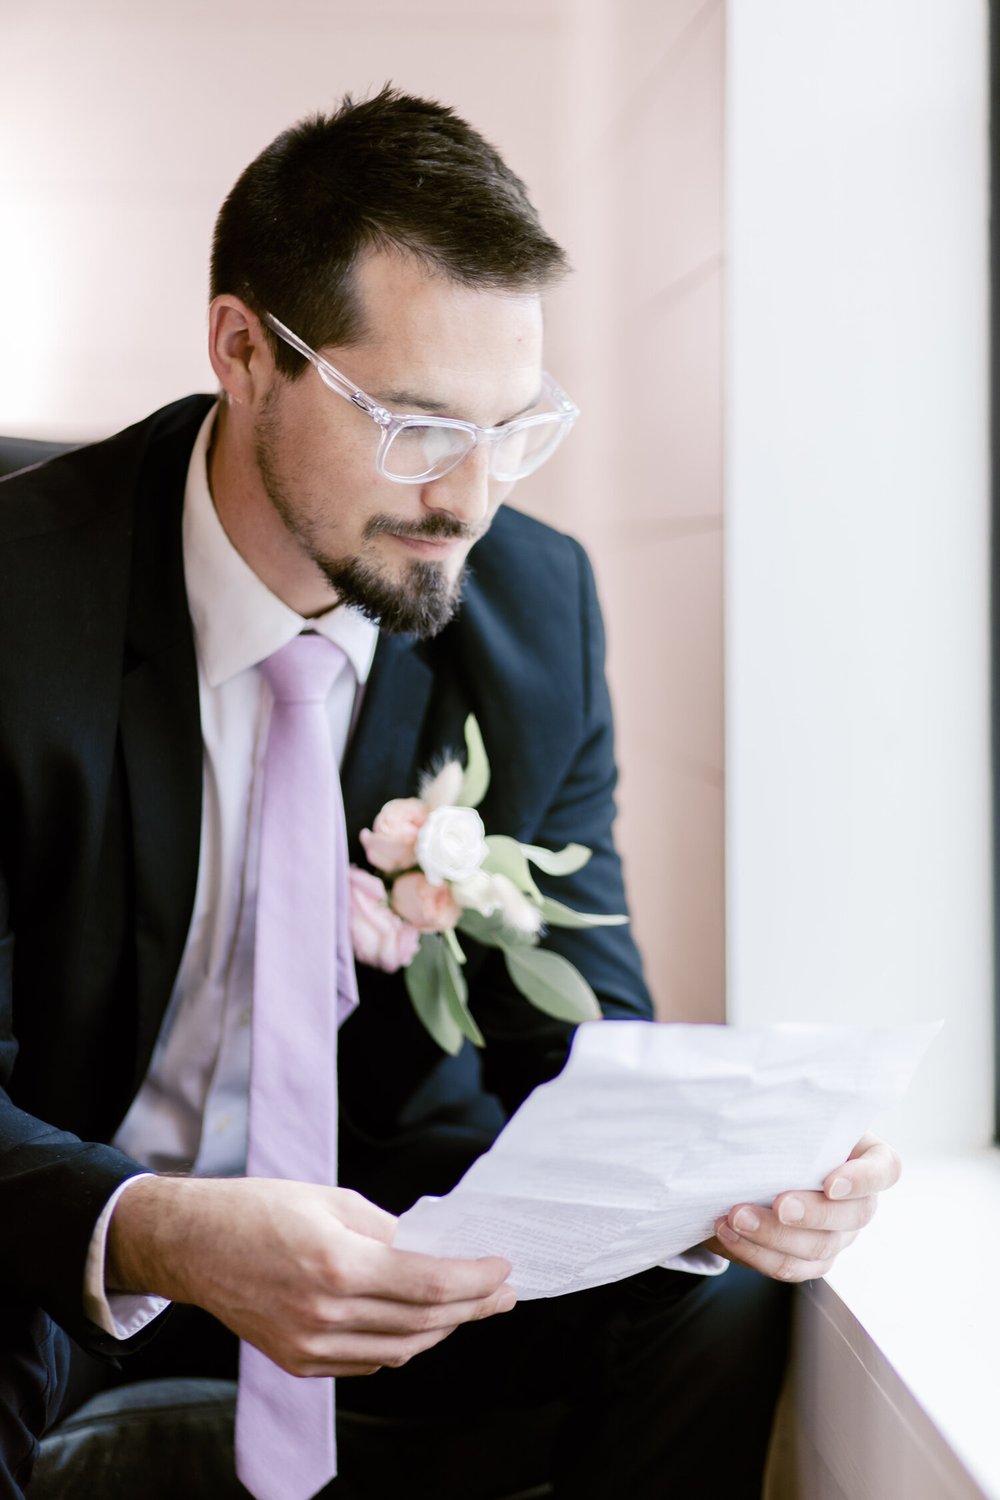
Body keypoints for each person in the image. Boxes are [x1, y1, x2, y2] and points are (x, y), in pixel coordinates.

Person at [0, 88, 899, 1499]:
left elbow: (577, 1038)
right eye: (414, 426)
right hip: (62, 1262)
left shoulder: (537, 612)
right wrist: (159, 1231)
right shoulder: (18, 602)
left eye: (514, 428)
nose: (471, 500)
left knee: (713, 1306)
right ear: (243, 349)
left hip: (400, 1257)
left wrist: (720, 1184)